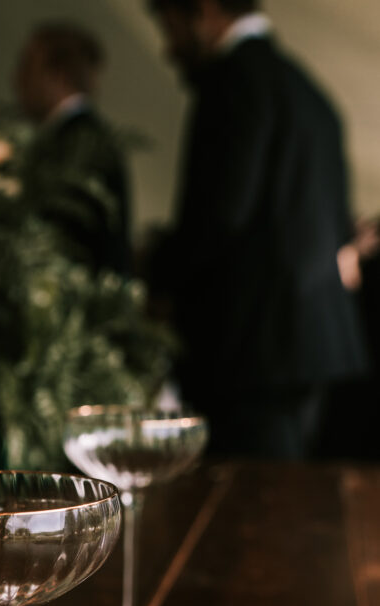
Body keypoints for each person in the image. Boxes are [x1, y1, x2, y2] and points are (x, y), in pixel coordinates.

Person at [147, 0, 368, 458]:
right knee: (283, 502)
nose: (167, 49)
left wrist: (158, 277)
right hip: (313, 343)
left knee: (248, 507)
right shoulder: (307, 89)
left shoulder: (232, 83)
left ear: (204, 13)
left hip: (253, 350)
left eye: (169, 27)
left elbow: (220, 214)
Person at [14, 22, 131, 275]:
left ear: (58, 75)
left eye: (27, 68)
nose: (17, 80)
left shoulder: (79, 142)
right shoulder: (84, 135)